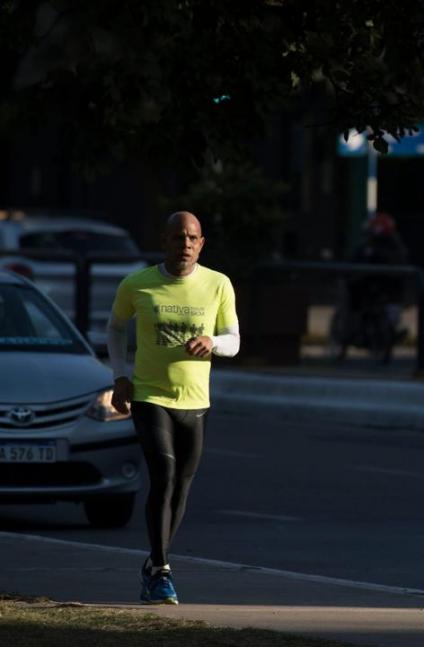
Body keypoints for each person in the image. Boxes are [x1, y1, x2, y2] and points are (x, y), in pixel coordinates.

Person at [106, 211, 240, 605]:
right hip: (150, 396)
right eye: (178, 237)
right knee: (162, 475)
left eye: (192, 238)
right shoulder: (138, 284)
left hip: (196, 401)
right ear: (164, 240)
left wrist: (212, 342)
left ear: (201, 243)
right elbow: (114, 328)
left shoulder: (218, 285)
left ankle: (152, 565)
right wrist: (119, 376)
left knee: (181, 486)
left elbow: (234, 340)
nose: (185, 244)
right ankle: (162, 570)